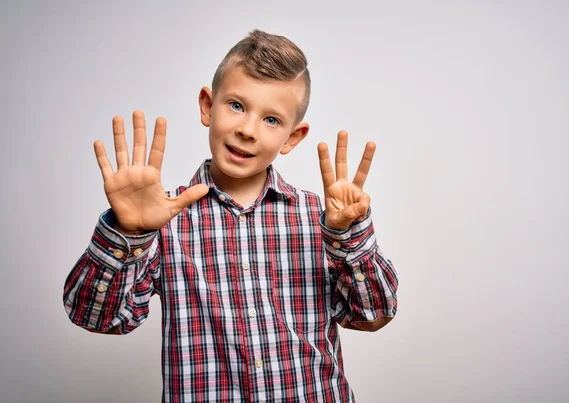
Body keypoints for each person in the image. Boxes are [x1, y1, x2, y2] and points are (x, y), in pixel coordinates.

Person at [63, 29, 398, 403]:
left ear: (293, 137)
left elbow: (373, 315)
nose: (247, 130)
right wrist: (128, 233)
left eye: (271, 120)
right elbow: (94, 317)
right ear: (208, 105)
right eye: (236, 105)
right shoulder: (164, 220)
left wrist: (348, 238)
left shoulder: (319, 221)